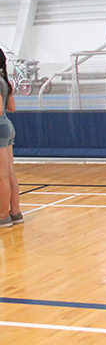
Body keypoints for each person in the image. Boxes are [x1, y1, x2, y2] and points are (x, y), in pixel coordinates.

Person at [0, 49, 23, 228]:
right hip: (7, 127)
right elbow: (11, 107)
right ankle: (15, 212)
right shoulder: (5, 81)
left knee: (1, 176)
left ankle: (2, 216)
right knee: (10, 174)